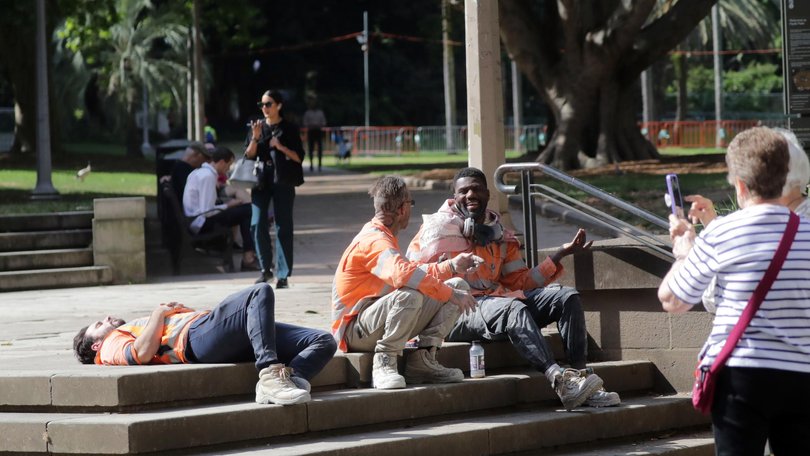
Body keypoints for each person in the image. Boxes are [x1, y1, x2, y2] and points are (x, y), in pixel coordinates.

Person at [406, 167, 620, 411]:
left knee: (566, 296)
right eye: (463, 191)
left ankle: (581, 381)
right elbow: (414, 274)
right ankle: (560, 382)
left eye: (476, 189)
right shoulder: (435, 229)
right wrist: (450, 267)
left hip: (496, 302)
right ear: (454, 197)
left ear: (487, 194)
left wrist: (559, 255)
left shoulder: (500, 235)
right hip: (455, 310)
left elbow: (519, 282)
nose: (470, 195)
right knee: (512, 308)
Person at [658, 127, 810, 456]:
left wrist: (684, 253)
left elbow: (673, 299)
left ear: (740, 184)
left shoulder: (722, 231)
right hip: (802, 373)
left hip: (741, 375)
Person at [73, 283, 336, 405]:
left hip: (211, 331)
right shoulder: (108, 345)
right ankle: (270, 377)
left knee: (322, 340)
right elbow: (141, 353)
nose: (107, 318)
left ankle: (290, 379)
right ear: (95, 345)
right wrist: (159, 313)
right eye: (99, 324)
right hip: (195, 340)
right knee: (258, 292)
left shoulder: (127, 330)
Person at [331, 176, 479, 389]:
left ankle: (423, 360)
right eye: (411, 203)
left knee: (457, 285)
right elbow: (404, 275)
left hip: (373, 322)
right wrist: (449, 294)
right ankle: (384, 363)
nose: (411, 209)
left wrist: (451, 267)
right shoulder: (374, 240)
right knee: (412, 294)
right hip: (354, 332)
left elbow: (409, 271)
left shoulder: (383, 236)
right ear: (402, 209)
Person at [684, 128, 810, 314]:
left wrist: (687, 256)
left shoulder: (768, 230)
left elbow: (715, 298)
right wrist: (714, 224)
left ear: (744, 185)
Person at [245, 90, 305, 289]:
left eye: (268, 104)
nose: (264, 108)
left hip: (283, 180)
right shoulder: (257, 127)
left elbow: (299, 157)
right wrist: (255, 138)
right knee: (257, 223)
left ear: (278, 105)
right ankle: (265, 270)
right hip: (260, 181)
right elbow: (248, 155)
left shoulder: (289, 128)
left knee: (283, 226)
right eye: (261, 104)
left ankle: (283, 274)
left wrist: (280, 147)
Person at [183, 146, 258, 271]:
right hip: (201, 223)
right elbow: (207, 211)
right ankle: (248, 258)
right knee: (248, 211)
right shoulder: (208, 176)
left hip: (195, 220)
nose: (228, 169)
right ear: (222, 162)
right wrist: (229, 205)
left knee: (245, 210)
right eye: (228, 165)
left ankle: (249, 256)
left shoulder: (199, 172)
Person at [302, 95, 327, 172]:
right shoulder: (307, 113)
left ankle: (319, 165)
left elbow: (324, 122)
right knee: (311, 149)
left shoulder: (320, 112)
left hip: (318, 131)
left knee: (320, 149)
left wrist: (319, 125)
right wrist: (311, 125)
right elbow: (305, 123)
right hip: (311, 131)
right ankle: (311, 165)